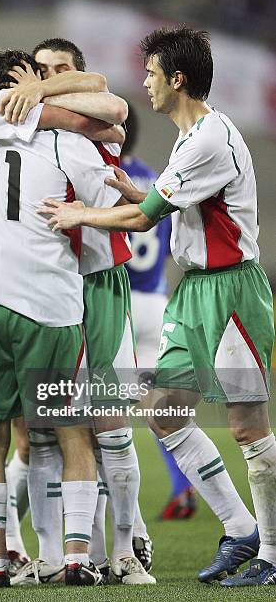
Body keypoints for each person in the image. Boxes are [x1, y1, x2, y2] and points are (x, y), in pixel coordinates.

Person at [38, 25, 276, 587]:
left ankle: (271, 551)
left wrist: (80, 216)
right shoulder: (191, 138)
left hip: (233, 292)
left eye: (150, 73)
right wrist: (126, 188)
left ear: (177, 79)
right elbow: (156, 204)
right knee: (164, 410)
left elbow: (146, 218)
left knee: (248, 427)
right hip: (195, 292)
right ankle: (241, 528)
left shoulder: (208, 140)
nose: (142, 82)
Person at [0, 49, 127, 588]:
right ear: (32, 83)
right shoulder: (66, 142)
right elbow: (112, 186)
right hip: (52, 307)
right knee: (71, 430)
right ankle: (80, 556)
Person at [7, 38, 154, 585]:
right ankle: (51, 556)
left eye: (60, 69)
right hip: (46, 287)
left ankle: (124, 550)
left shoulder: (92, 114)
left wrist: (37, 92)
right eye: (39, 70)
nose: (47, 77)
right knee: (47, 429)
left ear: (80, 73)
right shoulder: (27, 128)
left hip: (99, 281)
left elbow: (112, 110)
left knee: (111, 426)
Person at [122, 104, 197, 520]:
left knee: (100, 413)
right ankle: (182, 486)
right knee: (158, 405)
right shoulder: (155, 176)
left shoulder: (103, 173)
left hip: (118, 303)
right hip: (155, 299)